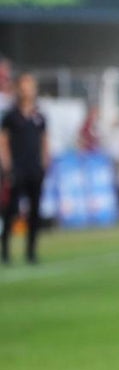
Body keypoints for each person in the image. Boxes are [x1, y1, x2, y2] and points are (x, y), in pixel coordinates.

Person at [0, 73, 50, 265]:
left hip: (34, 168)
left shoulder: (39, 117)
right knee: (11, 210)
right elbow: (3, 141)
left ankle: (31, 252)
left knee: (35, 211)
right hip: (17, 169)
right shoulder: (10, 116)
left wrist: (44, 163)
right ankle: (5, 251)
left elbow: (45, 141)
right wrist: (7, 166)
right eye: (24, 86)